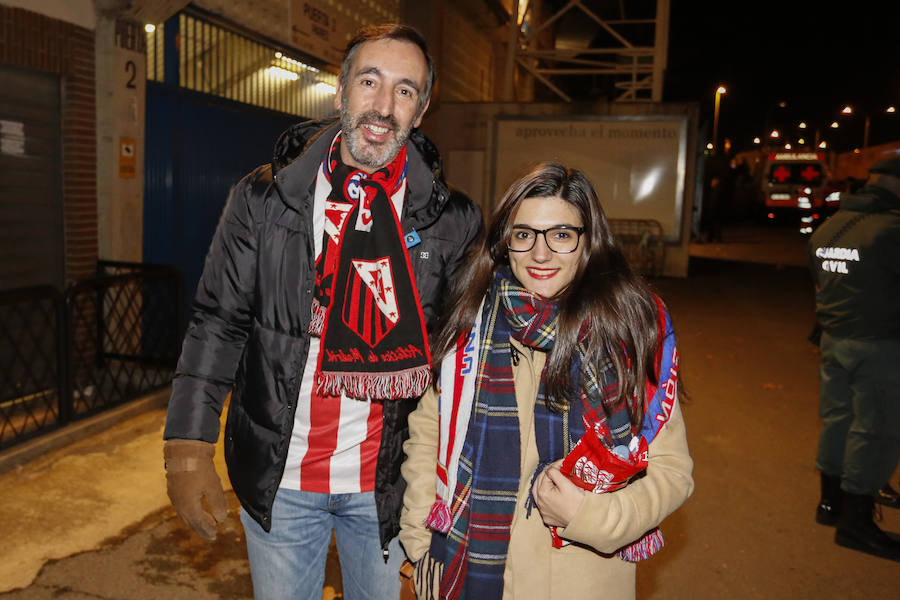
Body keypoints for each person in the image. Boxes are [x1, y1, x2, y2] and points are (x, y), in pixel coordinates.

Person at [162, 23, 483, 599]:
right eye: (370, 82)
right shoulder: (265, 200)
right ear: (341, 92)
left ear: (423, 107)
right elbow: (217, 322)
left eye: (405, 91)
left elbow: (464, 359)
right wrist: (187, 448)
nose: (384, 106)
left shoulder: (450, 220)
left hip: (389, 487)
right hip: (282, 481)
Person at [399, 163, 693, 599]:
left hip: (583, 579)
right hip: (468, 570)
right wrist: (421, 539)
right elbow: (428, 434)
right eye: (524, 234)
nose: (540, 254)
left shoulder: (628, 331)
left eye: (560, 234)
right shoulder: (471, 323)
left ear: (587, 240)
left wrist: (591, 516)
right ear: (505, 243)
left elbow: (671, 471)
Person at [809, 157, 900, 562]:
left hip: (834, 338)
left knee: (837, 419)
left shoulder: (830, 226)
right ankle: (857, 523)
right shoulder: (892, 230)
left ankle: (830, 505)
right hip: (880, 343)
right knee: (875, 429)